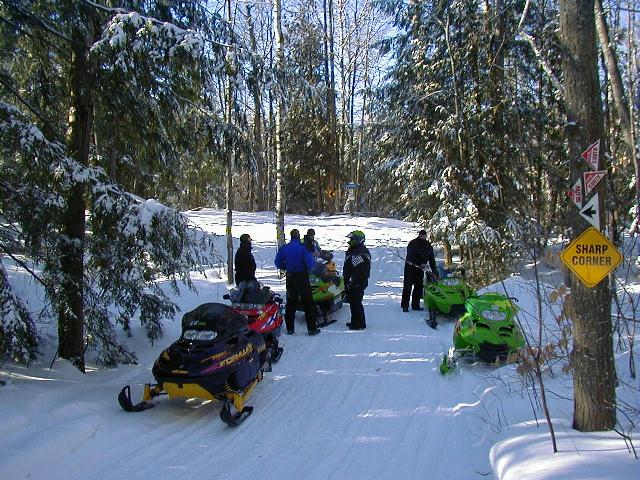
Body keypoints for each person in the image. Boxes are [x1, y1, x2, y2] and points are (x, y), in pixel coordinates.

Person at [274, 229, 320, 336]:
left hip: (290, 277)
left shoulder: (285, 248)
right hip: (302, 276)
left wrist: (285, 267)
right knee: (308, 302)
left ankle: (290, 329)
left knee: (291, 302)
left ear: (291, 236)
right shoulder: (303, 248)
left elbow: (277, 262)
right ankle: (312, 329)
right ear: (298, 236)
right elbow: (310, 263)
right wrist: (309, 268)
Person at [401, 229, 437, 312]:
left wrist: (434, 270)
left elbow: (431, 259)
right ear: (419, 235)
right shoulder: (413, 243)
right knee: (408, 286)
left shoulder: (428, 245)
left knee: (419, 286)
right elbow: (410, 256)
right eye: (421, 235)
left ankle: (415, 305)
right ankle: (405, 305)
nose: (423, 237)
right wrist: (420, 263)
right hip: (410, 267)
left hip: (420, 269)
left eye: (424, 235)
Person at [343, 230, 371, 330]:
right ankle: (355, 321)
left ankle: (359, 324)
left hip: (357, 281)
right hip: (353, 281)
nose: (350, 240)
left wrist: (353, 280)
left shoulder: (359, 252)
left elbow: (360, 269)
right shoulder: (354, 250)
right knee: (353, 302)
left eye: (352, 239)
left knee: (356, 302)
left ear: (358, 240)